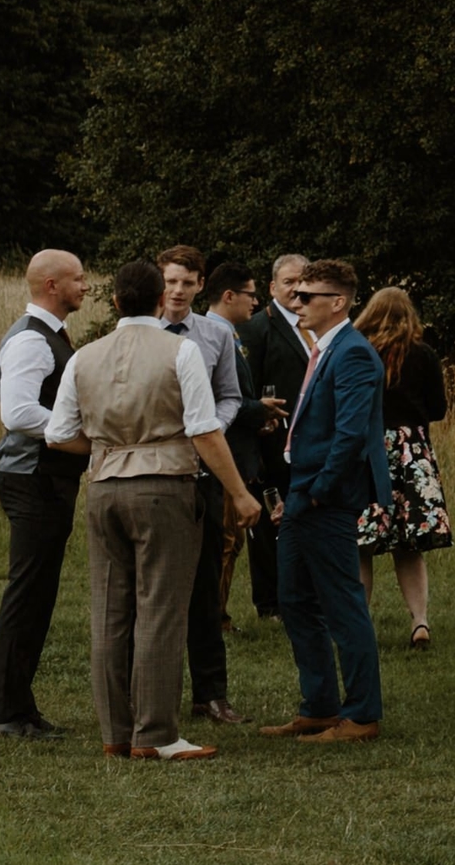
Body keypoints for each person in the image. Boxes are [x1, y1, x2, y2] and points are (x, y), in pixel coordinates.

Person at [46, 258, 263, 760]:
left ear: (117, 301)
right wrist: (239, 493)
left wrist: (110, 448)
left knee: (109, 610)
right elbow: (204, 429)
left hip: (102, 488)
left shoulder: (84, 357)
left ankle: (115, 733)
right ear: (160, 300)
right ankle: (157, 734)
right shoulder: (181, 351)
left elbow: (58, 435)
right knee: (161, 610)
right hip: (164, 487)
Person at [268, 259, 390, 742]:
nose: (296, 303)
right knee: (294, 599)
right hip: (303, 490)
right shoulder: (324, 349)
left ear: (337, 302)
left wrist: (318, 493)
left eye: (306, 296)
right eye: (294, 293)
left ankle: (361, 715)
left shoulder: (354, 353)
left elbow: (351, 434)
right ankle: (318, 705)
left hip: (326, 497)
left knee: (342, 604)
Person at [0, 249, 91, 739]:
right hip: (33, 479)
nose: (85, 286)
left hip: (44, 478)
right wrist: (81, 434)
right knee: (27, 594)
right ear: (52, 285)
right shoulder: (32, 341)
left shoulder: (49, 336)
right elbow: (19, 413)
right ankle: (4, 713)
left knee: (38, 593)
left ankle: (18, 707)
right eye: (78, 279)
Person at [160, 251, 252, 728]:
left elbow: (231, 394)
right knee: (155, 585)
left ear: (200, 287)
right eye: (171, 281)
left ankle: (211, 693)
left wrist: (211, 427)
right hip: (154, 468)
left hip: (202, 469)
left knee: (205, 585)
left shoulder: (217, 333)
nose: (177, 290)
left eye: (187, 283)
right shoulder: (138, 331)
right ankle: (154, 690)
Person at [353, 285, 451, 646]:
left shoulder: (359, 352)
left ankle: (359, 624)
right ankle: (420, 621)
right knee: (409, 545)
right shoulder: (422, 354)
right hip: (412, 451)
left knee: (361, 541)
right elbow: (438, 408)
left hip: (367, 449)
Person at [235, 255, 313, 625]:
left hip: (309, 442)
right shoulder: (256, 328)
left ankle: (303, 595)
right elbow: (244, 388)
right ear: (272, 287)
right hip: (270, 441)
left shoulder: (314, 325)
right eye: (288, 281)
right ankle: (270, 605)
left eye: (303, 281)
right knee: (268, 525)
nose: (297, 288)